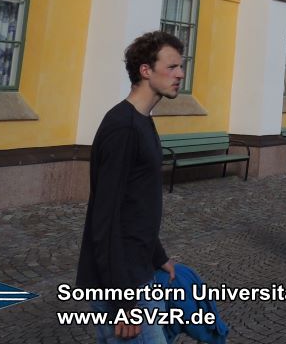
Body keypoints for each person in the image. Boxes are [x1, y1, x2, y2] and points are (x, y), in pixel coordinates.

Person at [76, 31, 185, 342]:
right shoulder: (122, 127)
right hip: (123, 285)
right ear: (145, 70)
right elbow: (105, 217)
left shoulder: (142, 120)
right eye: (172, 66)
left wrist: (158, 255)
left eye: (181, 66)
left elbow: (137, 205)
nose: (180, 74)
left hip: (139, 271)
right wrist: (123, 301)